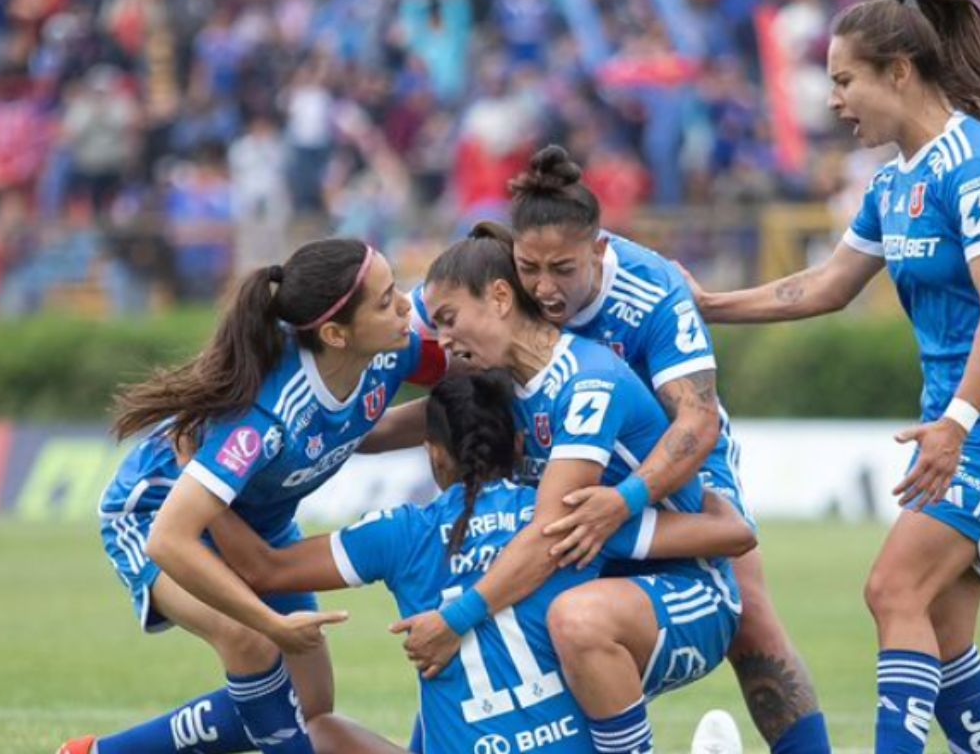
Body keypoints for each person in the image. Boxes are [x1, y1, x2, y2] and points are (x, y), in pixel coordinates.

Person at [680, 0, 980, 753]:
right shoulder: (895, 183)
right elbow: (825, 286)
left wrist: (957, 424)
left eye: (844, 79)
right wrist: (710, 307)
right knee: (941, 627)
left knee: (891, 587)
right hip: (959, 424)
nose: (833, 100)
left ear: (898, 72)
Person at [410, 145, 829, 753]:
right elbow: (437, 370)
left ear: (598, 250)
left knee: (749, 612)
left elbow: (698, 420)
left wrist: (627, 499)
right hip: (567, 470)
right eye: (531, 269)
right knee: (518, 604)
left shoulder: (651, 290)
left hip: (668, 460)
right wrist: (346, 429)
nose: (546, 289)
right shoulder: (500, 283)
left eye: (563, 269)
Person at [207, 370, 757, 754]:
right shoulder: (567, 518)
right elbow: (730, 535)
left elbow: (264, 569)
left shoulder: (402, 533)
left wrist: (203, 480)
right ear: (521, 443)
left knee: (322, 733)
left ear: (435, 454)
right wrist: (707, 485)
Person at [59, 239, 447, 754]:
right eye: (384, 300)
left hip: (257, 518)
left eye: (396, 287)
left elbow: (375, 426)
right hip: (157, 515)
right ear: (334, 333)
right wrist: (271, 623)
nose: (405, 305)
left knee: (309, 704)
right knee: (249, 641)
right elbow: (170, 540)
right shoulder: (267, 416)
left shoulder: (390, 350)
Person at [396, 228, 744, 754]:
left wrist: (453, 619)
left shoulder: (585, 382)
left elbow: (550, 535)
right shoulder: (505, 385)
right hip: (602, 576)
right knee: (473, 679)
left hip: (685, 596)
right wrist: (325, 429)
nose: (442, 340)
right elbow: (414, 421)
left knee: (569, 618)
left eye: (448, 320)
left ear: (498, 296)